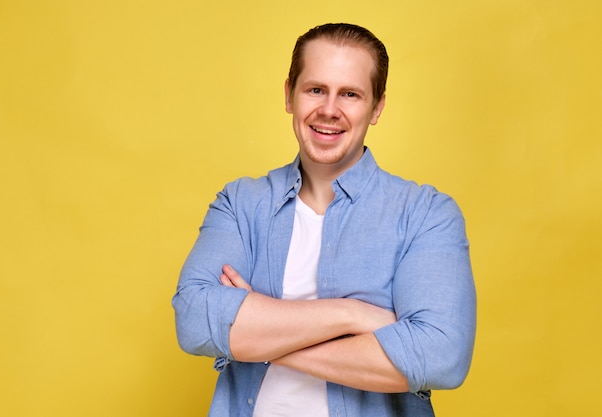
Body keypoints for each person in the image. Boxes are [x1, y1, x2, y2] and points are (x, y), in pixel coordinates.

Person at [172, 23, 476, 417]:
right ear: (289, 95)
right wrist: (353, 315)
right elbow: (195, 322)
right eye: (316, 89)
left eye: (350, 94)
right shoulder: (240, 204)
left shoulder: (425, 214)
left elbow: (440, 357)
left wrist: (259, 334)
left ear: (377, 107)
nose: (329, 110)